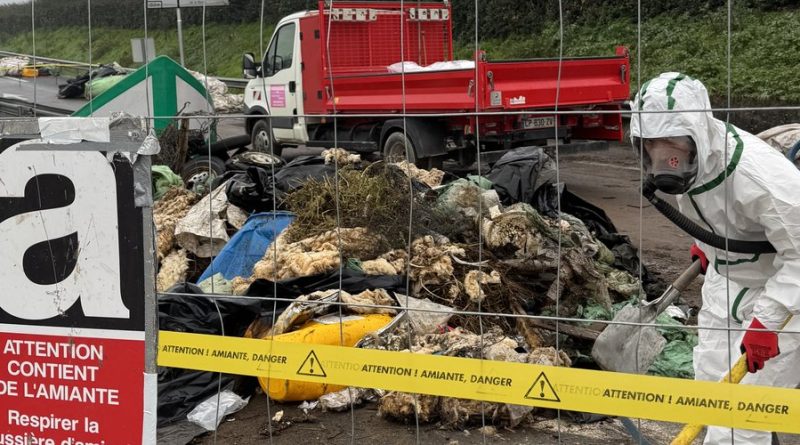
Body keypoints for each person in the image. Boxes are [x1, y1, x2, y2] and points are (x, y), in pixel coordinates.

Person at [631, 72, 800, 444]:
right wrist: (708, 245)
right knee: (709, 396)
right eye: (651, 145)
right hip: (726, 284)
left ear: (698, 131)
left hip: (784, 297)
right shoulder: (694, 162)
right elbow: (711, 211)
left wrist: (768, 322)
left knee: (743, 416)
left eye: (672, 142)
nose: (664, 157)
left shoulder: (762, 179)